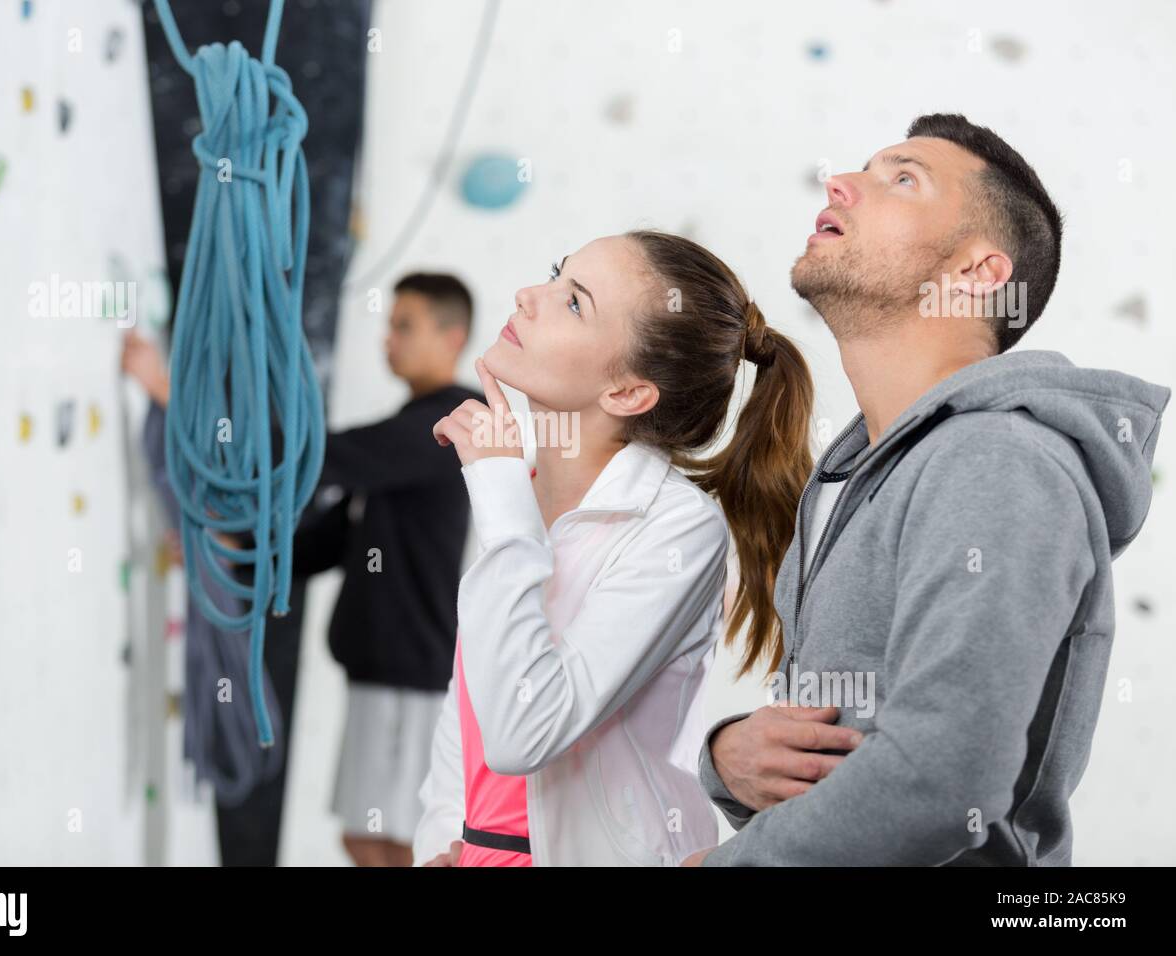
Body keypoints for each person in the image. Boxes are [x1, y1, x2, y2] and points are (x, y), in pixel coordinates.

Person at [687, 113, 1171, 866]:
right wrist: (729, 757)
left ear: (978, 274)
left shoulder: (998, 459)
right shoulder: (853, 480)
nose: (838, 182)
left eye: (901, 178)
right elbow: (847, 750)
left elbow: (941, 779)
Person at [413, 230, 817, 866]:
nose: (527, 296)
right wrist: (440, 844)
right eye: (555, 272)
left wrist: (497, 492)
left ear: (627, 393)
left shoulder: (677, 528)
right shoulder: (519, 492)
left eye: (574, 302)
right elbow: (468, 703)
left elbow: (524, 732)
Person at [124, 272, 483, 868]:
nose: (387, 338)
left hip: (408, 676)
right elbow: (327, 541)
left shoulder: (446, 424)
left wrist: (170, 394)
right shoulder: (409, 433)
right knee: (373, 841)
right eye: (389, 324)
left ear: (453, 337)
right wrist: (230, 542)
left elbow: (318, 459)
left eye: (404, 325)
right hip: (384, 671)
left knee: (392, 845)